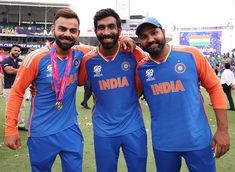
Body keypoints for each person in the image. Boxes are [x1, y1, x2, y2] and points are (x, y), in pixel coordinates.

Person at [135, 17, 230, 172]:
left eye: (154, 33)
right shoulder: (141, 68)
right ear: (140, 42)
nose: (150, 39)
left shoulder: (191, 54)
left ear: (163, 32)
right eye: (144, 37)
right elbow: (129, 96)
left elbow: (215, 88)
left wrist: (223, 130)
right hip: (163, 144)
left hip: (198, 140)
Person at [4, 8, 91, 172]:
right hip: (41, 133)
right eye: (62, 29)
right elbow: (17, 92)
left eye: (72, 30)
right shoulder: (36, 57)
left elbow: (105, 47)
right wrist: (10, 129)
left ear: (78, 33)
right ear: (53, 29)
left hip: (70, 130)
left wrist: (123, 40)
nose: (67, 34)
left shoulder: (81, 54)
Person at [78, 8, 147, 172]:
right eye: (101, 27)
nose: (106, 31)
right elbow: (78, 81)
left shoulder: (133, 53)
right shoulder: (88, 60)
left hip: (134, 127)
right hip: (104, 130)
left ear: (119, 30)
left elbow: (152, 68)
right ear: (95, 31)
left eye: (111, 27)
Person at [2, 44, 27, 131]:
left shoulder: (22, 61)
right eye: (15, 50)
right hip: (9, 87)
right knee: (10, 107)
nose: (17, 52)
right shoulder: (6, 60)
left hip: (20, 87)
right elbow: (9, 70)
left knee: (22, 107)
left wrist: (16, 70)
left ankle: (21, 125)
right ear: (11, 51)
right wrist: (22, 70)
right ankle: (10, 126)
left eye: (18, 51)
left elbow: (26, 71)